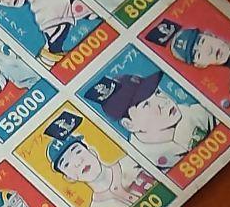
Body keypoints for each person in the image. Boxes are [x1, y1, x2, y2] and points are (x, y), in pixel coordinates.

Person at [83, 71, 216, 169]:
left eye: (157, 92)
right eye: (146, 104)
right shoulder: (138, 166)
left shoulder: (198, 114)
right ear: (129, 124)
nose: (163, 101)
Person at [44, 112, 154, 207]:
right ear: (69, 177)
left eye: (78, 151)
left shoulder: (132, 162)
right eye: (67, 164)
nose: (78, 162)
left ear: (92, 151)